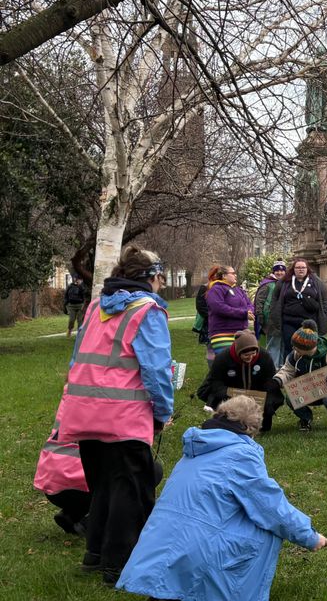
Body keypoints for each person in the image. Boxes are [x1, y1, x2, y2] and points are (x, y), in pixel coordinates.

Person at [116, 396, 327, 600]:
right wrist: (310, 536)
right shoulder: (240, 455)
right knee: (264, 528)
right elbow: (271, 507)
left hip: (161, 544)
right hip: (196, 550)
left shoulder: (196, 448)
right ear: (248, 429)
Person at [58, 246, 173, 585]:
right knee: (131, 491)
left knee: (102, 486)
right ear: (150, 276)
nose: (162, 284)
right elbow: (156, 370)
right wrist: (163, 410)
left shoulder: (96, 306)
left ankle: (95, 554)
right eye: (160, 276)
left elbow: (76, 358)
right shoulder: (147, 310)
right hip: (124, 416)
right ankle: (119, 565)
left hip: (84, 412)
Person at [270, 320, 327, 432]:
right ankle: (306, 418)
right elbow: (287, 371)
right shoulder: (295, 355)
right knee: (291, 397)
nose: (294, 349)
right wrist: (277, 380)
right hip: (309, 388)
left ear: (307, 348)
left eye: (297, 348)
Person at [34, 386, 90, 537]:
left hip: (50, 484)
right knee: (150, 472)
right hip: (79, 486)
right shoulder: (109, 398)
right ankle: (91, 522)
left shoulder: (71, 390)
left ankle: (71, 515)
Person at [196, 330, 278, 432]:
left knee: (271, 402)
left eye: (253, 353)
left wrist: (263, 398)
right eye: (246, 355)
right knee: (219, 401)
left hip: (257, 395)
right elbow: (216, 383)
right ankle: (228, 423)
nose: (250, 357)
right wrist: (233, 395)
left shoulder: (264, 356)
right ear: (238, 351)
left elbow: (270, 380)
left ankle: (260, 423)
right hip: (231, 395)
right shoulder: (222, 358)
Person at [270, 258, 327, 352]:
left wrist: (326, 316)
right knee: (289, 348)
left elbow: (325, 300)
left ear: (307, 269)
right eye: (298, 267)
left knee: (308, 348)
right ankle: (291, 365)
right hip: (289, 321)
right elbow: (274, 299)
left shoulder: (316, 282)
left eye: (303, 267)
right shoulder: (284, 282)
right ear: (293, 269)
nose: (301, 269)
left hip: (310, 322)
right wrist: (274, 313)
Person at [205, 264, 254, 360]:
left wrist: (250, 311)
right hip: (223, 333)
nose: (235, 275)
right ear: (224, 276)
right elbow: (219, 308)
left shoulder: (238, 290)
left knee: (240, 363)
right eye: (233, 273)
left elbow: (249, 304)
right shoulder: (216, 289)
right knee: (227, 363)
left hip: (241, 333)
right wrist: (243, 314)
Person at [254, 259, 287, 366]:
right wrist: (260, 317)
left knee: (283, 344)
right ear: (273, 271)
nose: (280, 273)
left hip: (283, 319)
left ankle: (281, 367)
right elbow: (260, 302)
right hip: (271, 320)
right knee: (273, 345)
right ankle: (273, 367)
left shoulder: (286, 283)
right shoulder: (267, 284)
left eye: (282, 271)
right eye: (277, 271)